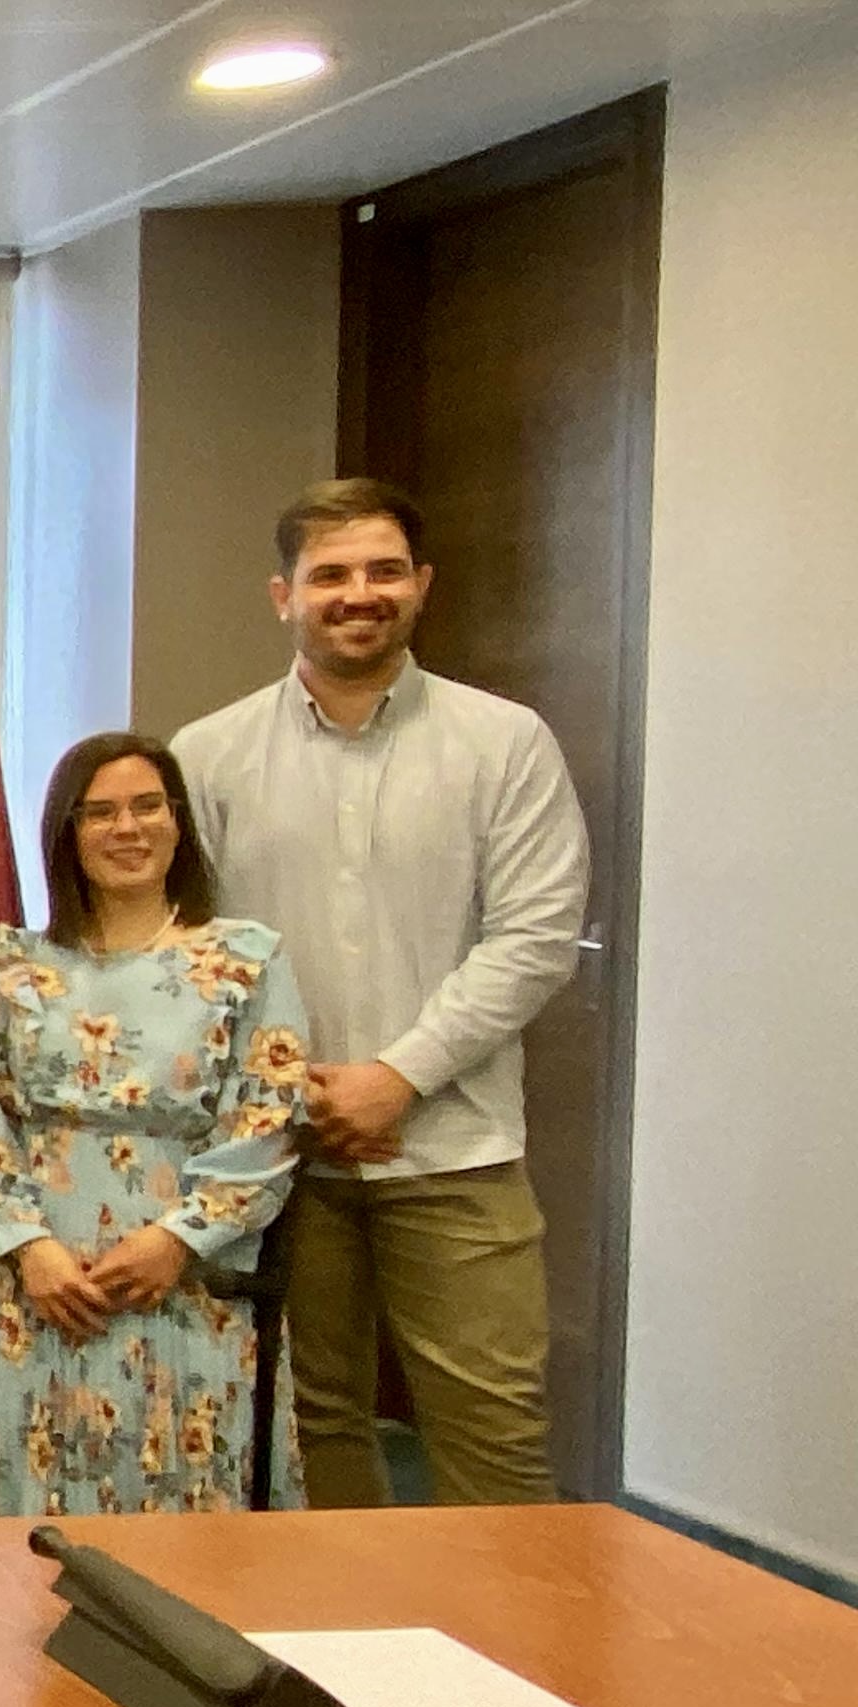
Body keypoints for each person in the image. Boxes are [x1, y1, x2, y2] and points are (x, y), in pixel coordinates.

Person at [174, 479, 588, 1509]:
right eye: (331, 575)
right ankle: (340, 1624)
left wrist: (397, 1077)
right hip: (278, 1159)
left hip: (454, 1153)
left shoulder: (506, 743)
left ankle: (505, 1624)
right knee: (306, 1436)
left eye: (384, 571)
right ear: (284, 595)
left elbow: (535, 939)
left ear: (422, 585)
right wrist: (295, 1088)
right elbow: (194, 955)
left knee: (494, 1436)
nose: (359, 593)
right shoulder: (209, 755)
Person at [0, 735, 313, 1516]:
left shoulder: (245, 962)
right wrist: (29, 1246)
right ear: (67, 832)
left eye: (148, 807)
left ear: (177, 822)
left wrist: (176, 1241)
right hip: (40, 1289)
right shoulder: (17, 964)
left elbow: (269, 1117)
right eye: (101, 812)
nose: (128, 828)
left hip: (186, 1288)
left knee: (185, 1509)